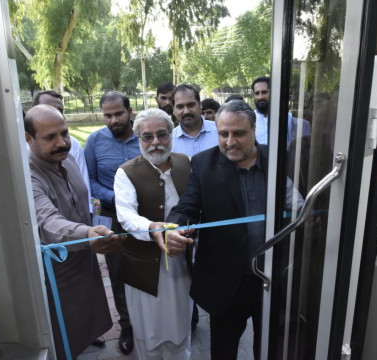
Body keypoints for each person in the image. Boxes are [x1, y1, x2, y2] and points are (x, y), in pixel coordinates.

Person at [153, 100, 267, 360]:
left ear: (253, 129)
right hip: (227, 282)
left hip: (270, 280)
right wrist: (173, 228)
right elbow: (186, 208)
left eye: (238, 133)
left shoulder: (277, 161)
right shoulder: (204, 163)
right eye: (223, 134)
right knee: (223, 351)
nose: (229, 142)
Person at [25, 104, 126, 359]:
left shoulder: (66, 158)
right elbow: (47, 222)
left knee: (87, 320)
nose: (62, 143)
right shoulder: (28, 175)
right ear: (29, 139)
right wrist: (87, 234)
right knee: (62, 330)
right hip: (57, 268)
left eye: (65, 133)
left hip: (85, 259)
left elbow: (82, 199)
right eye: (50, 137)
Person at [114, 108, 193, 360]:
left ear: (172, 135)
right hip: (143, 265)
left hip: (180, 262)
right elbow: (126, 216)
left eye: (162, 135)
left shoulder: (185, 163)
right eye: (147, 137)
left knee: (180, 320)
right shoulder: (125, 172)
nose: (156, 142)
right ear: (138, 140)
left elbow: (194, 203)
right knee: (148, 328)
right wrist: (152, 228)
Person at [84, 91, 141, 355]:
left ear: (129, 111)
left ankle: (153, 320)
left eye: (118, 113)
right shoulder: (95, 141)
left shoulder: (144, 135)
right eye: (107, 115)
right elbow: (91, 180)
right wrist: (115, 196)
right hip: (111, 215)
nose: (113, 120)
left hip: (145, 215)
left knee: (150, 266)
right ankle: (127, 326)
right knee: (117, 273)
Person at [31, 90, 92, 213]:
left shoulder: (72, 145)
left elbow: (85, 188)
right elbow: (46, 218)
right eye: (49, 137)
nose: (61, 144)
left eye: (60, 110)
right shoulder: (26, 161)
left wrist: (92, 217)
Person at [251, 76, 311, 146]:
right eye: (257, 93)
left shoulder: (291, 121)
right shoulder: (250, 119)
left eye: (264, 92)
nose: (260, 97)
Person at [171, 84, 218, 157]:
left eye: (191, 105)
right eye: (180, 107)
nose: (186, 111)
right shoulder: (169, 140)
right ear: (174, 109)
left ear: (200, 105)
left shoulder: (219, 131)